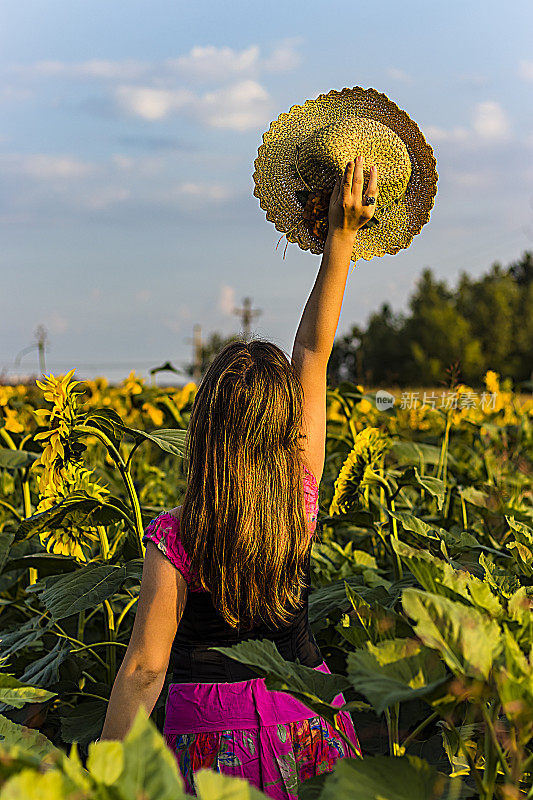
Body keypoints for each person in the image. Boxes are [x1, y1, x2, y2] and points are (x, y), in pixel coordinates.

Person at [99, 157, 379, 798]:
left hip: (204, 748)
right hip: (308, 722)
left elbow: (145, 670)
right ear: (284, 432)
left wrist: (104, 779)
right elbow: (313, 351)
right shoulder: (297, 501)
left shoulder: (179, 535)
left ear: (204, 430)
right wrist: (341, 240)